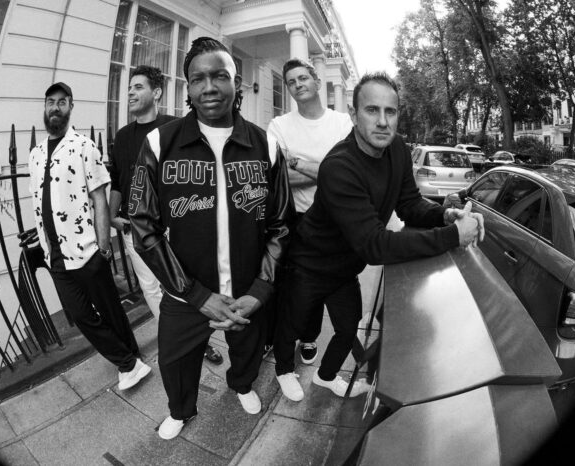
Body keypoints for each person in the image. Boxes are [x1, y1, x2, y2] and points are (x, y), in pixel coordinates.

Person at [272, 72, 485, 401]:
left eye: (391, 111)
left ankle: (325, 377)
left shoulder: (397, 148)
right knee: (292, 326)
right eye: (372, 110)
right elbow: (375, 245)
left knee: (348, 328)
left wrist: (444, 215)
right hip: (308, 265)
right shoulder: (339, 166)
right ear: (354, 115)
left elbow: (409, 204)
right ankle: (284, 370)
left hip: (345, 269)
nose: (383, 121)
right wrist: (453, 236)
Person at [127, 37, 291, 440]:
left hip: (248, 287)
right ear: (188, 88)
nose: (209, 87)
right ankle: (181, 410)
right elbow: (142, 225)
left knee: (247, 349)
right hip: (186, 291)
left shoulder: (266, 145)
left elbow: (281, 225)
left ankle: (241, 384)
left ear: (236, 82)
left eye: (219, 76)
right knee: (175, 360)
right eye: (198, 79)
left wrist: (262, 288)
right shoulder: (160, 143)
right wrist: (195, 294)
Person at [28, 82, 151, 392]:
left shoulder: (84, 146)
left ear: (71, 107)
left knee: (111, 310)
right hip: (55, 255)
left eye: (62, 102)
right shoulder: (35, 154)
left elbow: (99, 199)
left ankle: (132, 359)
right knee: (82, 315)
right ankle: (129, 363)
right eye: (50, 102)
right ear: (45, 107)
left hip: (86, 249)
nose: (55, 107)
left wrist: (103, 246)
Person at [109, 66, 223, 365]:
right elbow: (117, 180)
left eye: (138, 87)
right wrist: (110, 217)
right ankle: (178, 338)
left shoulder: (173, 129)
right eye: (129, 88)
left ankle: (200, 338)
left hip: (173, 224)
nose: (130, 92)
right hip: (134, 227)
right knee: (150, 287)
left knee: (184, 282)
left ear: (156, 92)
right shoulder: (123, 136)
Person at [266, 57, 353, 364]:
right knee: (300, 287)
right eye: (291, 81)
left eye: (303, 78)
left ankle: (312, 335)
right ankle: (304, 336)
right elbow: (278, 179)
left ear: (317, 82)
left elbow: (350, 173)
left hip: (338, 220)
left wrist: (297, 163)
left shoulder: (341, 123)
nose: (297, 84)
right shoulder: (279, 126)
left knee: (337, 284)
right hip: (300, 220)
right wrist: (328, 169)